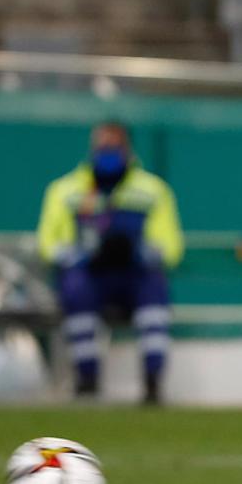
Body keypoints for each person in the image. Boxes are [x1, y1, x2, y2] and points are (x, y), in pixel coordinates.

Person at [37, 122, 184, 405]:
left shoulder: (152, 190)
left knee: (154, 288)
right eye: (102, 147)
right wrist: (81, 254)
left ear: (127, 149)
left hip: (134, 275)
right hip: (91, 274)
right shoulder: (66, 190)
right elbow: (47, 243)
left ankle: (153, 380)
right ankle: (87, 379)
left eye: (113, 147)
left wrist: (139, 251)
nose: (107, 153)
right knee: (76, 288)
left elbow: (171, 246)